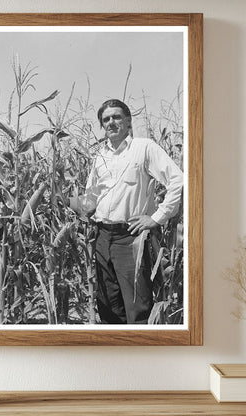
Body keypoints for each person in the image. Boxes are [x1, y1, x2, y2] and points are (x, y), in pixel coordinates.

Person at [69, 99, 183, 324]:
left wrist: (157, 218)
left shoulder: (144, 148)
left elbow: (177, 180)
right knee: (108, 304)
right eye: (106, 119)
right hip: (102, 237)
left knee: (136, 306)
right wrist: (65, 202)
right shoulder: (100, 157)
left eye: (116, 117)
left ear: (128, 121)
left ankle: (140, 353)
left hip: (130, 237)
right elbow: (91, 198)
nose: (111, 122)